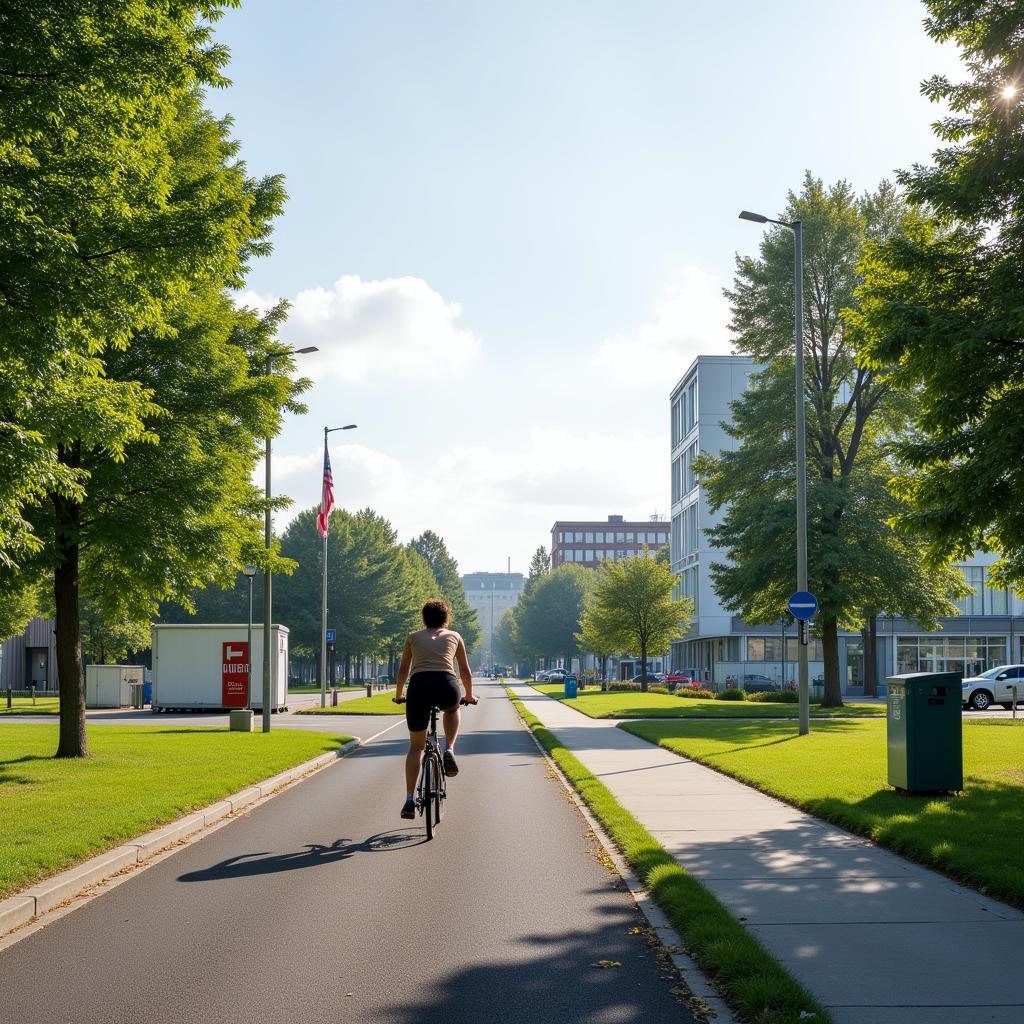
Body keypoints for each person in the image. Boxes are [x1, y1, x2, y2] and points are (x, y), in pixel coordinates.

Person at [393, 598, 477, 819]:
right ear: (446, 618)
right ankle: (449, 748)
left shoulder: (413, 637)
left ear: (424, 617)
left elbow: (403, 671)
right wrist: (469, 695)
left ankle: (410, 799)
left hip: (419, 687)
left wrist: (399, 694)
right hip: (446, 684)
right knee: (452, 708)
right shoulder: (455, 636)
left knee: (416, 748)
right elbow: (465, 671)